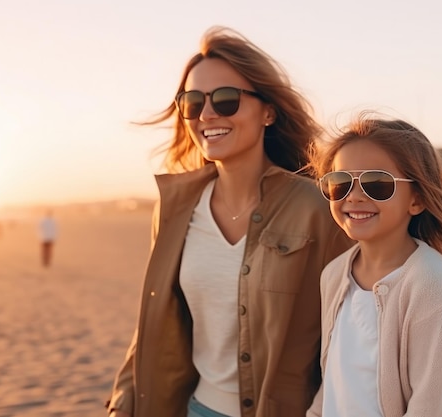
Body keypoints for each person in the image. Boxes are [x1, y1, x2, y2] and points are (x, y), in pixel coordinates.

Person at [106, 26, 353, 417]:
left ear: (268, 111)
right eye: (192, 102)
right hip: (197, 409)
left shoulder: (317, 208)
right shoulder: (174, 208)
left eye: (225, 99)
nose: (206, 115)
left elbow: (351, 332)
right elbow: (153, 321)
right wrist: (122, 401)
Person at [306, 112, 442, 417]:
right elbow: (336, 378)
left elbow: (437, 404)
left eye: (377, 184)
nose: (354, 196)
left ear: (416, 200)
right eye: (339, 183)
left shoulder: (428, 281)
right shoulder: (334, 274)